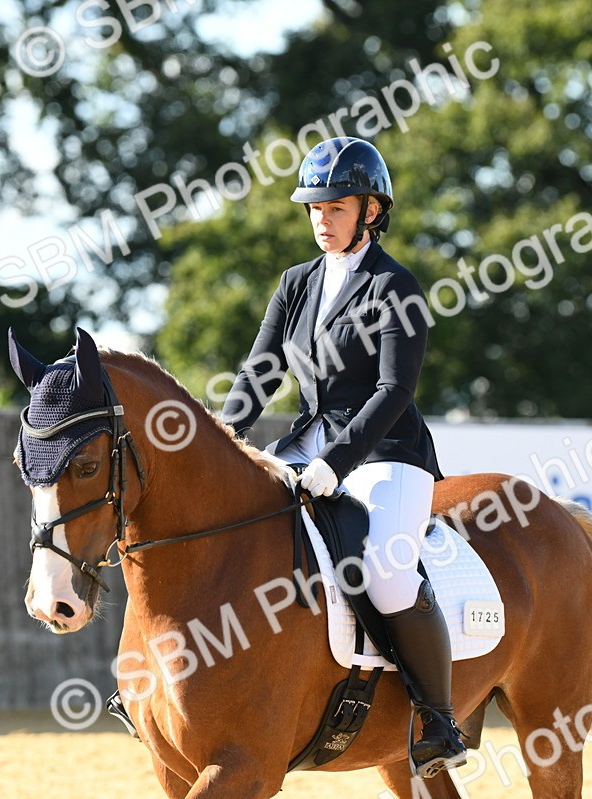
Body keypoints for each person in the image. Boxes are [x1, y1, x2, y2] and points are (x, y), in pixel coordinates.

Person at [221, 136, 466, 777]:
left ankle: (438, 717)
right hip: (306, 442)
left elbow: (394, 390)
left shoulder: (395, 286)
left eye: (335, 208)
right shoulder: (295, 283)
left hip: (385, 451)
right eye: (314, 208)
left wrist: (337, 462)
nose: (321, 220)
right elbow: (260, 372)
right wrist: (222, 436)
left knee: (386, 573)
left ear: (370, 211)